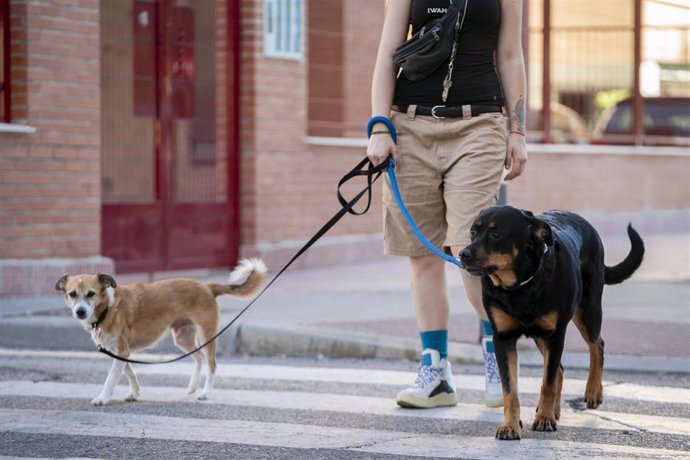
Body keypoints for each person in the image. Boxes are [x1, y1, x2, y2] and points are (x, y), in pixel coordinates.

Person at [366, 0, 527, 408]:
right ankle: (435, 372)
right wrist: (379, 125)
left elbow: (510, 55)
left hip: (479, 125)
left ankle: (498, 354)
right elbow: (387, 54)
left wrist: (518, 130)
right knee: (421, 254)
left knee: (470, 249)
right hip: (411, 124)